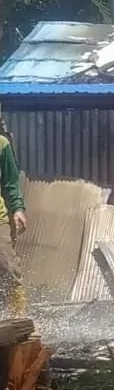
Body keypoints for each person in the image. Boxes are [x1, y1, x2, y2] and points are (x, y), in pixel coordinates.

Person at [0, 117, 27, 314]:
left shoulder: (2, 144)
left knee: (8, 266)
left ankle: (18, 319)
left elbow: (10, 181)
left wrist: (17, 208)